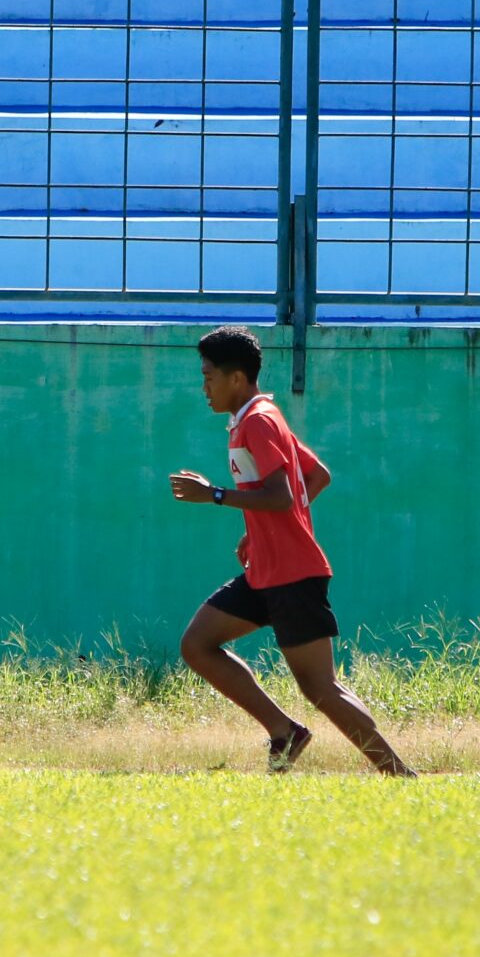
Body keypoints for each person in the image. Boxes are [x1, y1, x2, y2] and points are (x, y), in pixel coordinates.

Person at [167, 325, 414, 776]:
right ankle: (285, 731)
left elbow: (282, 495)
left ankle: (399, 774)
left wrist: (216, 495)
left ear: (236, 378)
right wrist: (260, 527)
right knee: (197, 645)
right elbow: (317, 475)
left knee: (321, 688)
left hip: (293, 575)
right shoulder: (257, 416)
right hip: (266, 569)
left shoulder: (259, 421)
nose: (203, 386)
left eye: (208, 377)